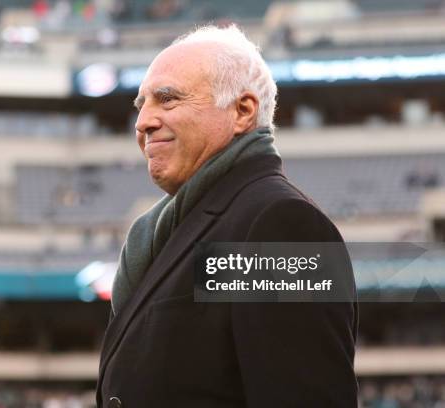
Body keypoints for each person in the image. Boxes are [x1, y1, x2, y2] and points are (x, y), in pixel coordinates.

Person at [97, 24, 358, 407]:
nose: (143, 123)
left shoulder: (280, 224)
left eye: (167, 100)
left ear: (242, 111)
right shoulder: (162, 230)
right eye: (142, 105)